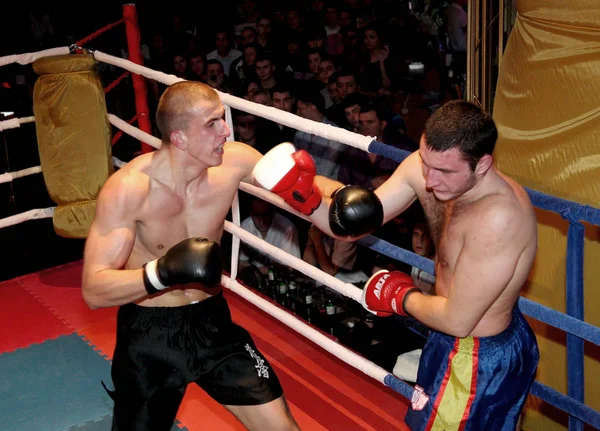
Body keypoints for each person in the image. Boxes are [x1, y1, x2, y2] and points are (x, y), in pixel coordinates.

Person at [253, 100, 540, 430]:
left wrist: (398, 296)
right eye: (426, 163)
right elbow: (353, 223)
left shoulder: (497, 217)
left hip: (477, 354)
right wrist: (305, 197)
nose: (430, 181)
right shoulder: (425, 166)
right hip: (448, 336)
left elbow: (459, 320)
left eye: (445, 171)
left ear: (483, 165)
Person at [81, 81, 300, 431]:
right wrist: (161, 273)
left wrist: (345, 203)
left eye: (223, 119)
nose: (226, 130)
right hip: (149, 337)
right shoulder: (128, 189)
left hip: (214, 326)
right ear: (180, 138)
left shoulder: (236, 160)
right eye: (212, 123)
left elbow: (309, 196)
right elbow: (93, 289)